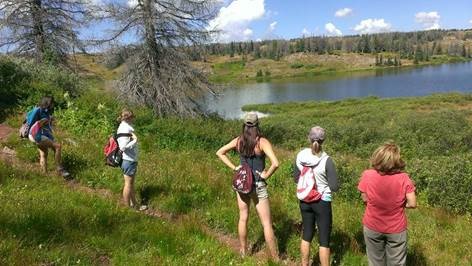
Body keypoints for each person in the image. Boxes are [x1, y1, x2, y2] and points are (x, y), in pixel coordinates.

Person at [216, 112, 279, 260]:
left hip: (242, 184)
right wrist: (266, 175)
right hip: (257, 184)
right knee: (267, 224)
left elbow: (220, 152)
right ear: (257, 125)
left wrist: (234, 168)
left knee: (243, 218)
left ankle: (243, 251)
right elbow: (275, 163)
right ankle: (275, 258)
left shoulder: (239, 141)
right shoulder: (261, 142)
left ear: (244, 125)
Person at [358, 142, 417, 266]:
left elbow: (364, 198)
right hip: (396, 228)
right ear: (396, 160)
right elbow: (412, 203)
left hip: (372, 225)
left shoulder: (367, 175)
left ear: (378, 157)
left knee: (375, 262)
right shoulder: (404, 178)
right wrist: (401, 205)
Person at [293, 126, 339, 266]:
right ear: (323, 140)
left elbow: (296, 178)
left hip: (305, 200)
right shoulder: (327, 160)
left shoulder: (301, 156)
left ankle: (304, 264)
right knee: (324, 239)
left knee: (307, 234)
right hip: (322, 201)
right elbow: (334, 187)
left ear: (309, 138)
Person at [27, 96, 70, 179]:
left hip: (40, 135)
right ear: (48, 103)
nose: (53, 105)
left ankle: (44, 175)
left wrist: (49, 119)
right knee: (57, 146)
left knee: (44, 153)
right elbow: (30, 122)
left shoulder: (46, 111)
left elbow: (46, 123)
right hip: (36, 135)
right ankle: (59, 169)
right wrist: (41, 123)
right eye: (52, 103)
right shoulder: (37, 110)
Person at [116, 109, 147, 211]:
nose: (133, 119)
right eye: (132, 117)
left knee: (131, 184)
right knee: (128, 184)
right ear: (128, 118)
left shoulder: (122, 127)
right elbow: (123, 147)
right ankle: (127, 207)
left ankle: (135, 204)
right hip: (128, 160)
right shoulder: (126, 129)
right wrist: (135, 140)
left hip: (128, 160)